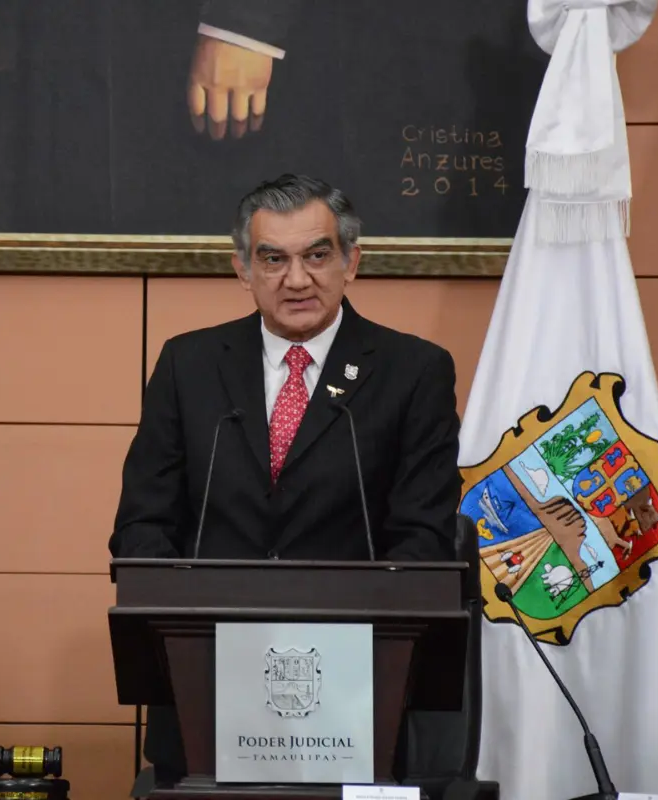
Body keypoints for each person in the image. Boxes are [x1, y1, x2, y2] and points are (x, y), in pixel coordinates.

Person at [109, 173, 462, 782]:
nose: (296, 279)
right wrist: (179, 621)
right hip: (204, 689)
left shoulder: (413, 372)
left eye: (316, 255)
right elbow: (142, 525)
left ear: (352, 261)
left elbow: (422, 541)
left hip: (357, 697)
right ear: (243, 270)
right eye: (272, 259)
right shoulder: (187, 366)